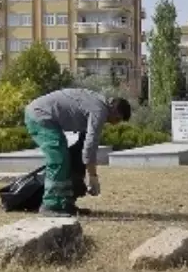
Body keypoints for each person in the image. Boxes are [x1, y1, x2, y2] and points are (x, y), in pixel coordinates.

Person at [23, 88, 131, 216]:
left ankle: (66, 204)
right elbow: (90, 146)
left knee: (71, 159)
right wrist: (92, 177)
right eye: (117, 119)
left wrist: (80, 171)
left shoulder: (98, 103)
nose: (114, 124)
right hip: (40, 115)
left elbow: (84, 144)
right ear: (113, 109)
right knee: (59, 159)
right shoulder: (100, 111)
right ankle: (50, 206)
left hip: (46, 117)